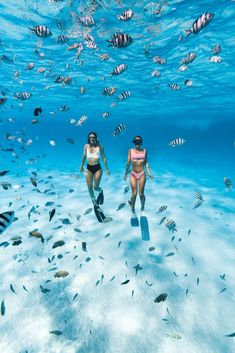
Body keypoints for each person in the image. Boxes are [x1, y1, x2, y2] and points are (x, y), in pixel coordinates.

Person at [124, 135, 153, 215]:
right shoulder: (130, 151)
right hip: (133, 174)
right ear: (134, 142)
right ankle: (132, 207)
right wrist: (126, 174)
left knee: (141, 194)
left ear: (141, 142)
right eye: (136, 141)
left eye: (139, 141)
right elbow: (128, 163)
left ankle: (142, 206)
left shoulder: (144, 151)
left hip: (142, 173)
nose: (137, 143)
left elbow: (146, 163)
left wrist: (149, 173)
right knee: (134, 193)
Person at [80, 132, 110, 205]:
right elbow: (84, 156)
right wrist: (81, 166)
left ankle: (101, 191)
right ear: (88, 138)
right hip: (88, 168)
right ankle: (94, 202)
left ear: (96, 138)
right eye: (90, 137)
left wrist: (106, 168)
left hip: (97, 169)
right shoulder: (86, 146)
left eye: (93, 137)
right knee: (89, 187)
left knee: (95, 187)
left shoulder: (100, 147)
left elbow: (104, 158)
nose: (91, 139)